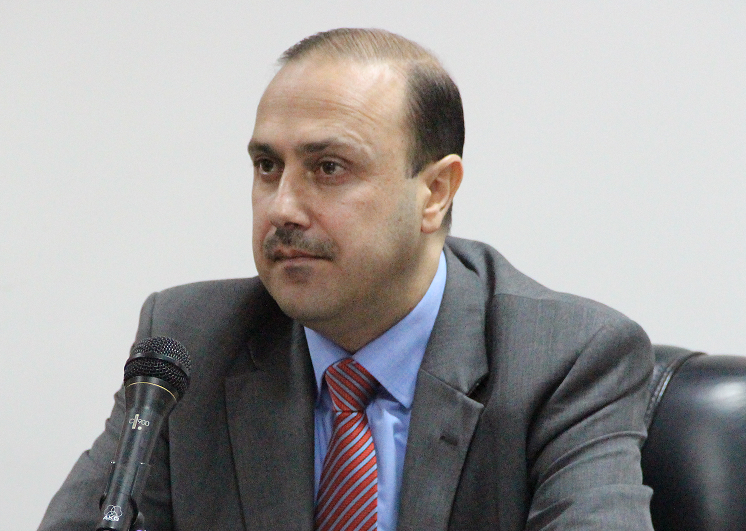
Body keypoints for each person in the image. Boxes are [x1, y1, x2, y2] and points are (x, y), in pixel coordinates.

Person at [39, 28, 654, 531]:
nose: (282, 207)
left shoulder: (566, 359)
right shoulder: (191, 342)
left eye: (329, 168)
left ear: (435, 192)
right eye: (267, 166)